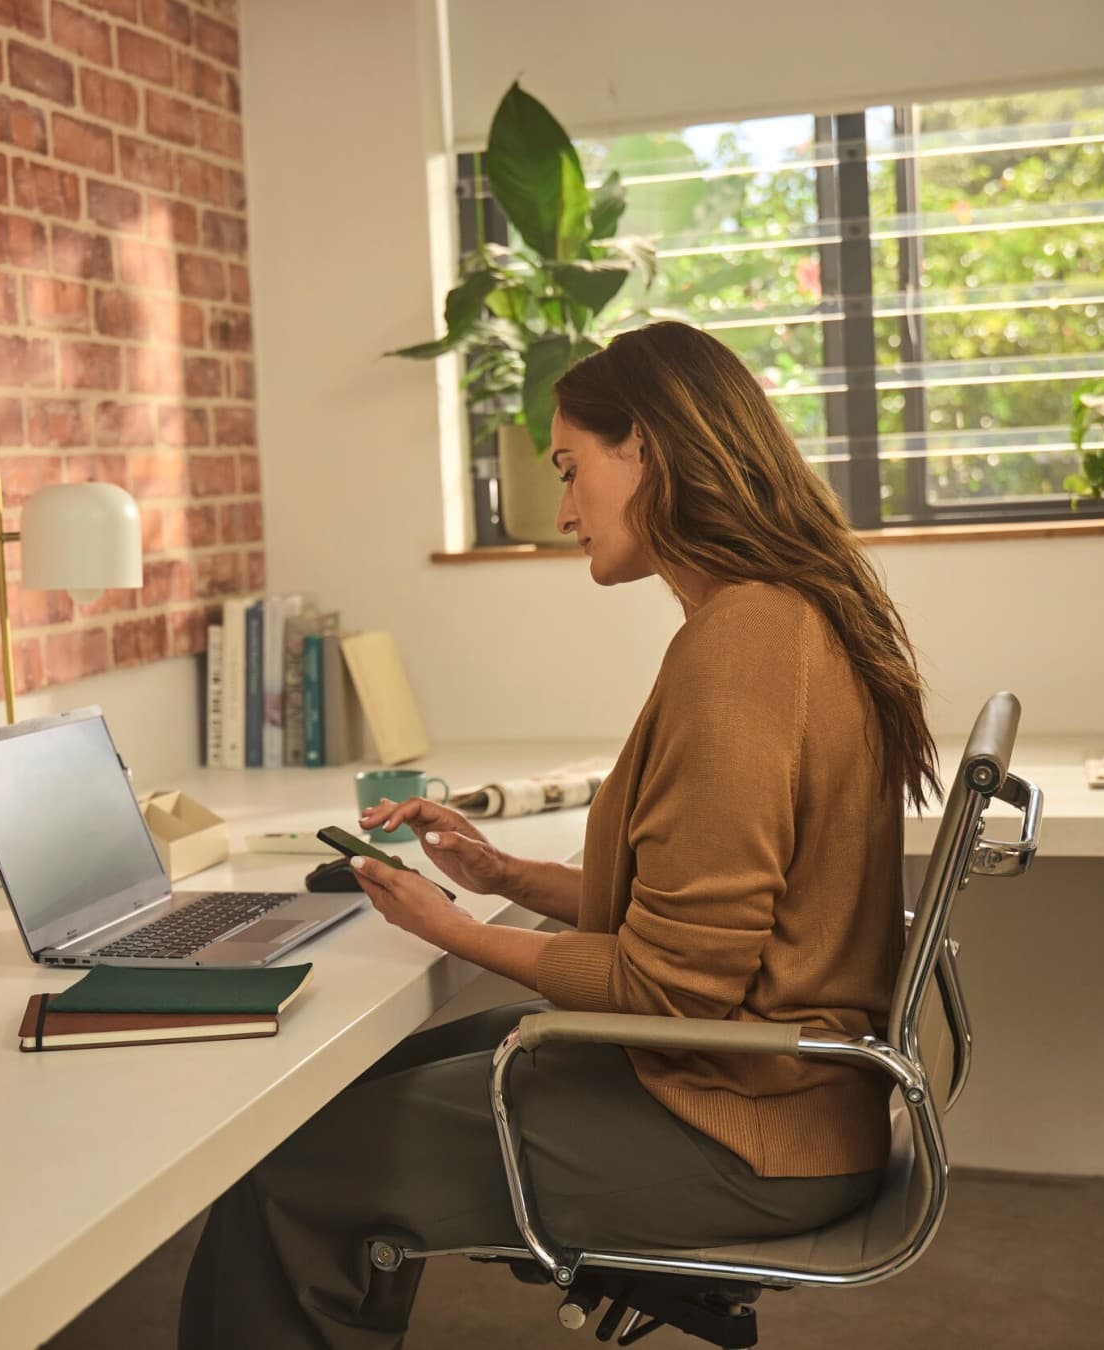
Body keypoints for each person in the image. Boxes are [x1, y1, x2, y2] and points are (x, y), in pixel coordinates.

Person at [178, 320, 940, 1350]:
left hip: (741, 1126)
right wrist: (505, 873)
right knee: (350, 1095)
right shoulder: (776, 620)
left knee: (286, 1174)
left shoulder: (745, 647)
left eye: (572, 469)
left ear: (649, 452)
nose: (563, 507)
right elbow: (709, 918)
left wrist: (449, 925)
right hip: (760, 1089)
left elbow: (673, 989)